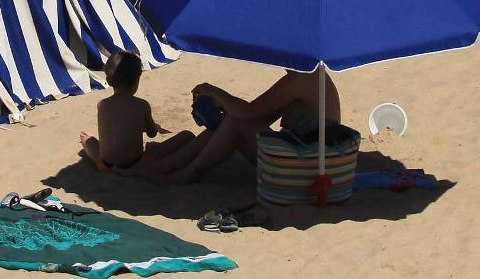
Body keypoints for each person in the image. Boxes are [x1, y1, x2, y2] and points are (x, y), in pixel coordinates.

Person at [136, 68, 341, 185]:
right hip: (310, 159)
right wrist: (224, 105)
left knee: (233, 122)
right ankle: (167, 164)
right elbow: (258, 115)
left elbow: (247, 113)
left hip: (306, 171)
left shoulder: (304, 77)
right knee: (230, 121)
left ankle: (185, 172)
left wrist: (215, 92)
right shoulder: (310, 75)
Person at [80, 53, 192, 172]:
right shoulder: (141, 105)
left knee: (91, 142)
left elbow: (114, 127)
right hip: (135, 164)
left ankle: (86, 141)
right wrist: (155, 127)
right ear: (136, 81)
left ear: (109, 80)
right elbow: (151, 133)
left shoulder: (102, 104)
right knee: (187, 135)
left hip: (106, 164)